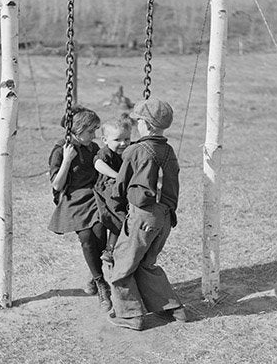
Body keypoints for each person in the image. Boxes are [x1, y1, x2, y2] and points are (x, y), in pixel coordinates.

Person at [105, 97, 187, 331]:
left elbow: (120, 186)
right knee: (147, 263)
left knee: (122, 265)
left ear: (147, 125)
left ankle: (130, 316)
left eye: (138, 121)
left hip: (142, 216)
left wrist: (117, 206)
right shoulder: (169, 151)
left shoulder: (135, 150)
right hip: (165, 217)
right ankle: (172, 308)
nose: (137, 126)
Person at [48, 107, 111, 311]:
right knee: (86, 238)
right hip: (73, 199)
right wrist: (67, 159)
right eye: (91, 131)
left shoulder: (92, 149)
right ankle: (101, 283)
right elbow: (57, 185)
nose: (94, 136)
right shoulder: (60, 150)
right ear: (78, 129)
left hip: (93, 197)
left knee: (100, 234)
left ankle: (94, 278)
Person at [92, 115, 132, 262]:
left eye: (127, 139)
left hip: (123, 191)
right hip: (108, 191)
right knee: (118, 218)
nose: (123, 143)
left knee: (126, 218)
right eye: (117, 140)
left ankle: (116, 249)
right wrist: (116, 175)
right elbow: (98, 164)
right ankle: (110, 249)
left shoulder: (130, 149)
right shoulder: (105, 153)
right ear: (105, 140)